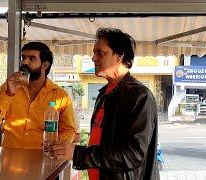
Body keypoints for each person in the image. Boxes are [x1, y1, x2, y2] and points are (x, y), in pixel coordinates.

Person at [50, 28, 159, 179]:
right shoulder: (104, 94)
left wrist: (77, 153)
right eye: (94, 53)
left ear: (120, 56)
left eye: (100, 53)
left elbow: (132, 155)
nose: (93, 58)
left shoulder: (140, 96)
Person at [0, 42, 77, 149]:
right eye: (23, 57)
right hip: (10, 158)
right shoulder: (8, 87)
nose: (25, 62)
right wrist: (8, 95)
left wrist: (54, 145)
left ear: (44, 65)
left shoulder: (60, 96)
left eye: (31, 58)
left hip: (42, 159)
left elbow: (69, 130)